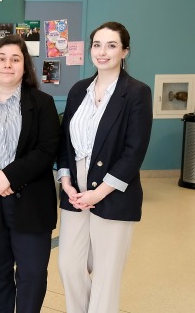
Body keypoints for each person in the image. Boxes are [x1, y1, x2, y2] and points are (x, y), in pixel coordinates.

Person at [57, 21, 153, 313]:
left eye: (111, 45)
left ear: (125, 51)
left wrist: (98, 194)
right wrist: (66, 182)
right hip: (75, 193)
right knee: (69, 267)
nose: (102, 52)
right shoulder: (78, 91)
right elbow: (65, 144)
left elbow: (134, 151)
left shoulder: (136, 93)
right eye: (97, 45)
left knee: (106, 277)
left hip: (113, 192)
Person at [0, 34, 60, 313]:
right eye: (2, 58)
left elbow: (47, 149)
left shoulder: (42, 102)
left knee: (32, 274)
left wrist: (10, 176)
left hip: (31, 201)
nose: (8, 64)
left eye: (15, 59)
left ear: (24, 66)